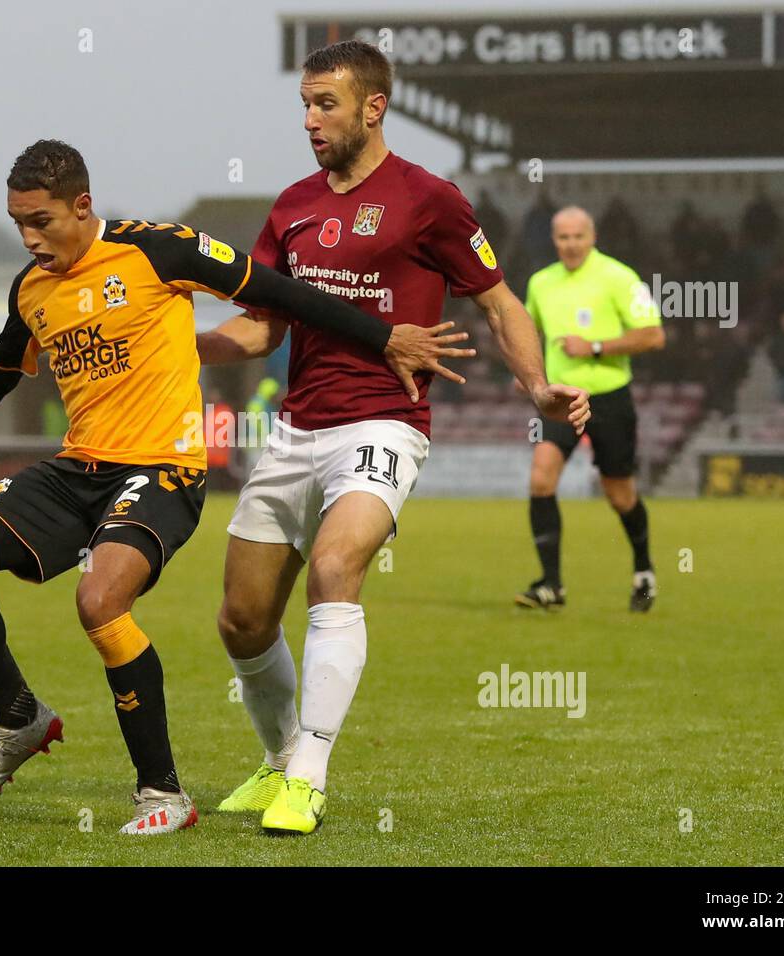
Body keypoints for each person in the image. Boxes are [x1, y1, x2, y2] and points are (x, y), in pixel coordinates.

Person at [0, 139, 463, 835]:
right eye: (18, 222)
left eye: (42, 220)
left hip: (162, 470)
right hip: (78, 467)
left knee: (99, 597)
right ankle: (20, 718)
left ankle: (162, 794)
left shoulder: (159, 249)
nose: (30, 237)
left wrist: (382, 338)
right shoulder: (32, 286)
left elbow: (281, 292)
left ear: (83, 206)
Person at [194, 40, 590, 835]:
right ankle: (277, 763)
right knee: (241, 620)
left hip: (383, 422)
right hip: (297, 427)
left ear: (373, 106)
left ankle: (309, 774)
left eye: (325, 104)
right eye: (304, 104)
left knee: (337, 567)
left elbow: (499, 303)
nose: (309, 120)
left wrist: (537, 387)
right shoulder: (292, 206)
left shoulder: (429, 199)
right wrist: (176, 341)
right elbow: (260, 330)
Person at [515, 206, 665, 613]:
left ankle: (643, 571)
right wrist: (528, 374)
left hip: (610, 398)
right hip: (562, 400)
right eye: (563, 238)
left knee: (620, 495)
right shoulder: (541, 283)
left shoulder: (618, 276)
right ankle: (551, 585)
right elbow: (530, 333)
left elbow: (653, 335)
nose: (570, 245)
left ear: (592, 236)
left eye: (577, 237)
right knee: (541, 479)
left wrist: (594, 347)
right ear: (553, 239)